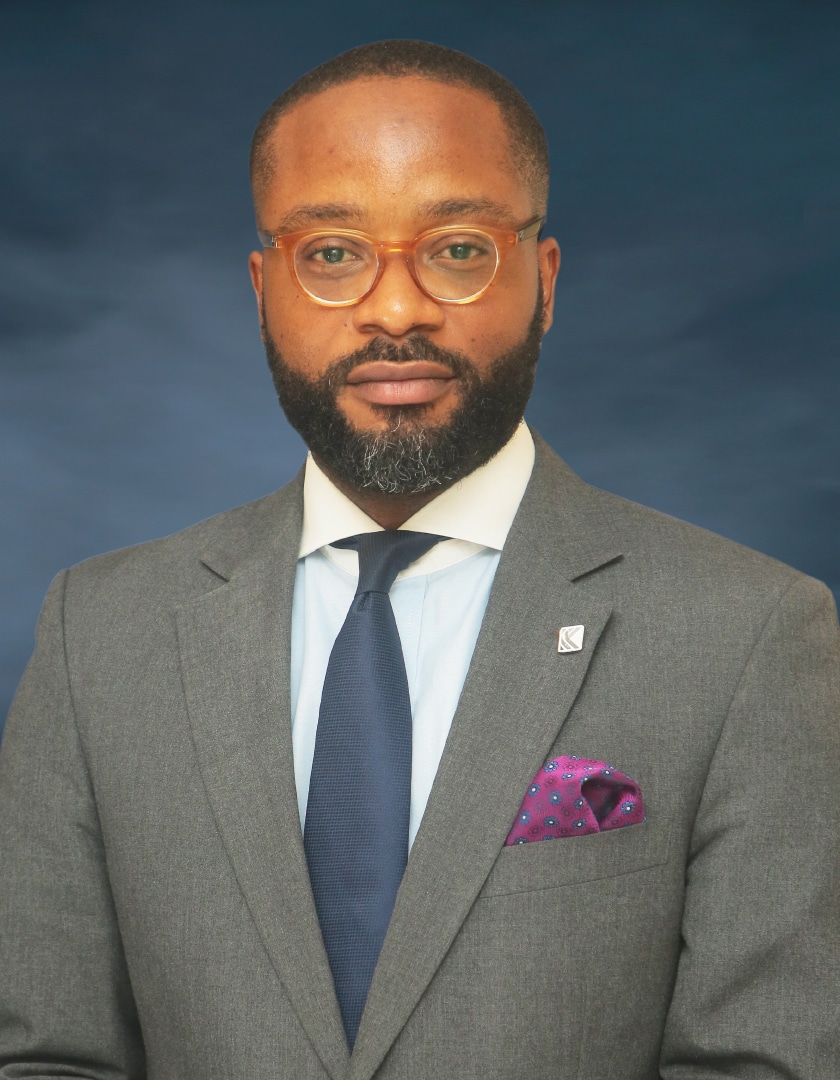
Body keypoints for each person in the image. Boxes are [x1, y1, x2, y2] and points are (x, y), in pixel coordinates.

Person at [1, 39, 838, 1080]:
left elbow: (770, 1063)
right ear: (264, 288)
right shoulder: (100, 633)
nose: (396, 310)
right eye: (334, 252)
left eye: (456, 247)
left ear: (544, 276)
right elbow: (42, 1055)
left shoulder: (749, 633)